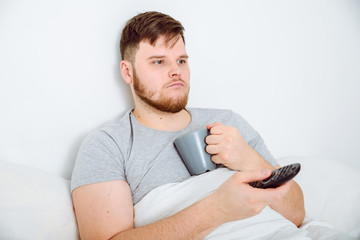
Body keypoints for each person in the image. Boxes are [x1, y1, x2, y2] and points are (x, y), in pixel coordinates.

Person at [71, 11, 305, 240]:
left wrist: (251, 159)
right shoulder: (108, 145)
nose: (176, 71)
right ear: (127, 72)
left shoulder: (228, 122)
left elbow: (296, 215)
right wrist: (216, 210)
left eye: (181, 60)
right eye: (159, 61)